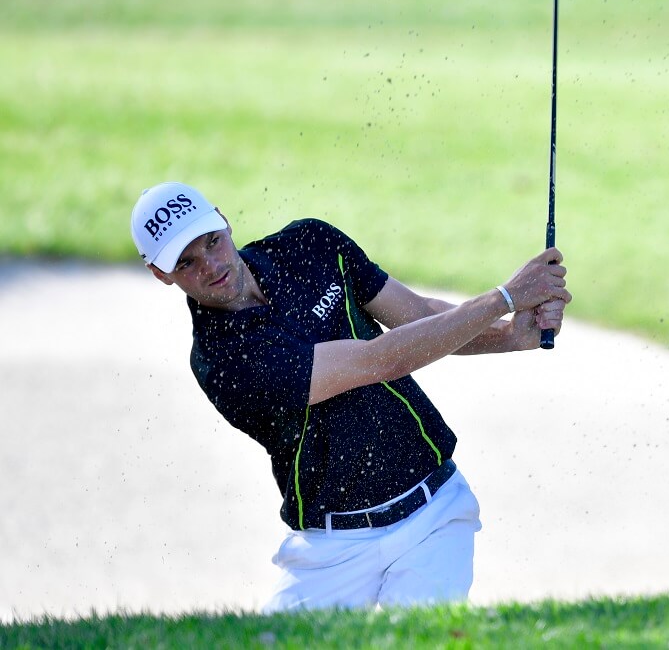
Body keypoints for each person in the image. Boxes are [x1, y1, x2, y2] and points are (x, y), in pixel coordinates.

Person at [129, 181, 570, 611]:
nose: (209, 265)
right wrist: (505, 297)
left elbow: (415, 317)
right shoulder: (224, 361)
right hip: (331, 550)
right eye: (186, 263)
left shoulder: (310, 243)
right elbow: (380, 360)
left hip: (433, 513)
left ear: (224, 221)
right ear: (160, 274)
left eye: (210, 242)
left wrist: (511, 334)